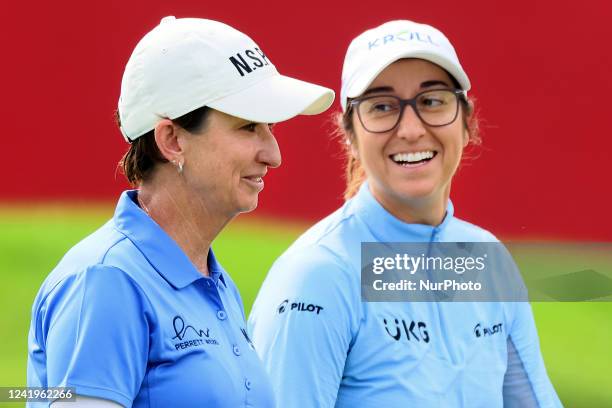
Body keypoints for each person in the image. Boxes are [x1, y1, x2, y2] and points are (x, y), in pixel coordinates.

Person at [248, 20, 562, 407]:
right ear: (349, 133)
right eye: (382, 106)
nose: (411, 129)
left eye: (432, 101)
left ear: (466, 122)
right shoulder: (317, 274)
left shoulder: (485, 261)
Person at [27, 16, 334, 407]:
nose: (273, 155)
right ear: (172, 140)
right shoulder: (105, 281)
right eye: (247, 127)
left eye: (270, 127)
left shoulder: (214, 282)